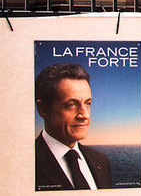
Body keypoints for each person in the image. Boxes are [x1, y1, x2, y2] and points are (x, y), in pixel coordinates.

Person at [34, 63, 113, 191]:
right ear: (43, 109)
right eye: (71, 105)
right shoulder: (24, 163)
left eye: (87, 103)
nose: (85, 115)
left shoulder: (101, 161)